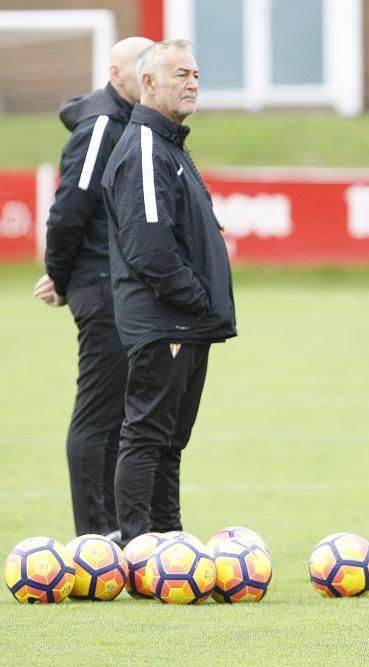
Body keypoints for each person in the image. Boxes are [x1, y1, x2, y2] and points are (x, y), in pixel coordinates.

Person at [101, 39, 236, 545]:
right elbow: (150, 247)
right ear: (149, 83)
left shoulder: (168, 144)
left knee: (170, 440)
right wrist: (196, 299)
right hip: (167, 320)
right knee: (146, 434)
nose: (192, 83)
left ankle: (166, 536)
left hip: (184, 320)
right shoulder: (143, 147)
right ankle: (139, 546)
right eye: (180, 74)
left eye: (196, 74)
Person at [32, 36, 153, 541]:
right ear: (117, 72)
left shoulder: (130, 122)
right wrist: (60, 276)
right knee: (99, 411)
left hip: (116, 284)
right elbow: (68, 210)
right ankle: (95, 536)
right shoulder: (102, 125)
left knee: (121, 411)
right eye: (143, 66)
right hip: (99, 284)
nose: (152, 76)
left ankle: (117, 531)